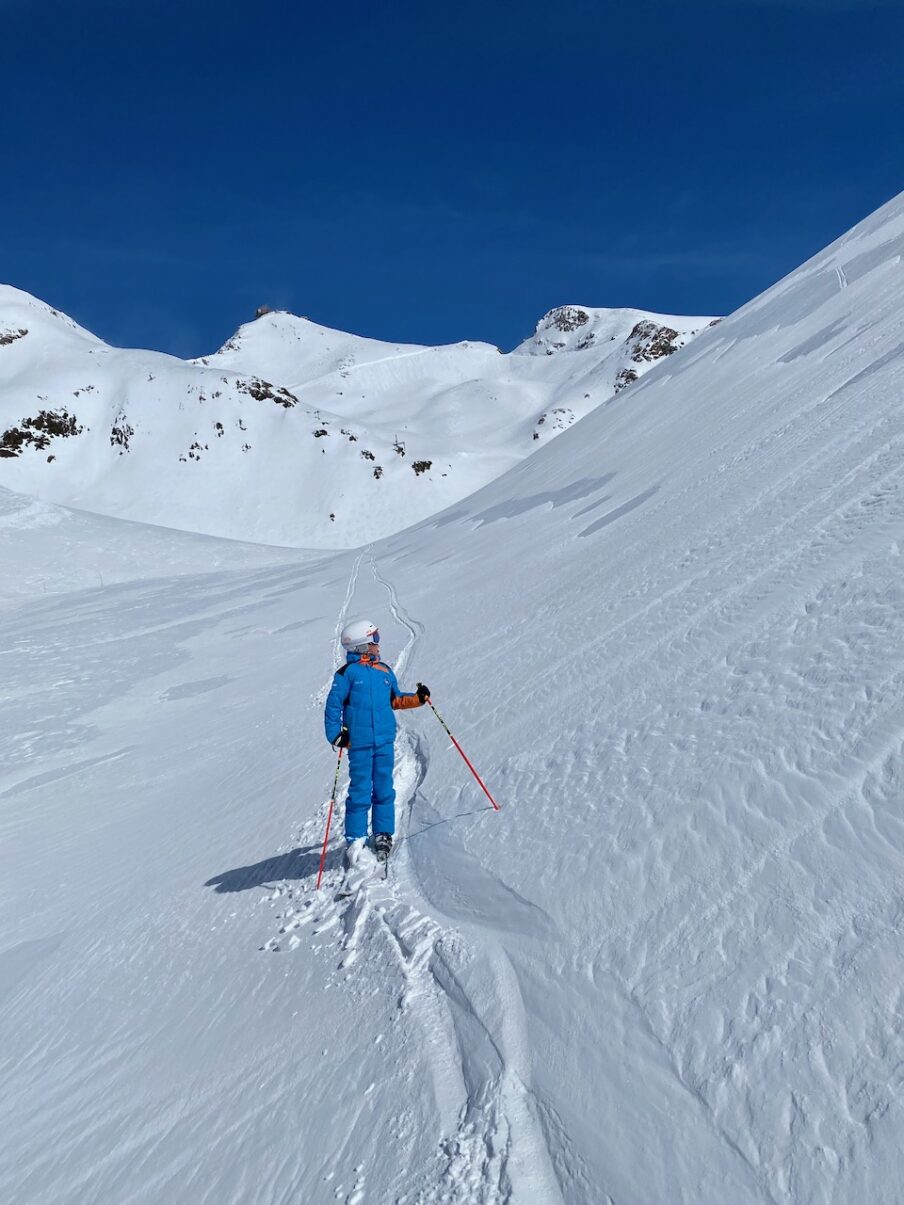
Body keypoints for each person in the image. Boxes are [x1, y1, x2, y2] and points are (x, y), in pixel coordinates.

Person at [324, 619, 430, 866]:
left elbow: (395, 699)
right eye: (375, 640)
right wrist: (336, 735)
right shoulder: (346, 675)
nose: (378, 645)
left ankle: (382, 833)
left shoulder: (384, 671)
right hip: (359, 743)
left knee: (383, 787)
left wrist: (418, 699)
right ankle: (356, 838)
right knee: (360, 790)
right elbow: (333, 706)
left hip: (383, 740)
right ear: (362, 645)